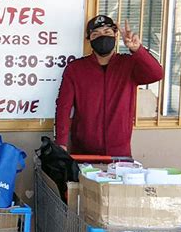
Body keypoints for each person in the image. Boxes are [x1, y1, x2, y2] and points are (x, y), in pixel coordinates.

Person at [55, 15, 163, 157]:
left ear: (116, 35)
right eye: (96, 34)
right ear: (90, 40)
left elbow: (156, 74)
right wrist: (61, 143)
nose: (102, 37)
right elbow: (63, 107)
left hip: (120, 154)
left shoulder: (129, 65)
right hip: (83, 153)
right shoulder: (75, 69)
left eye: (107, 32)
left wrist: (137, 50)